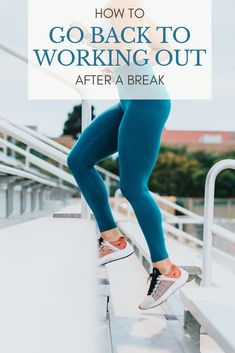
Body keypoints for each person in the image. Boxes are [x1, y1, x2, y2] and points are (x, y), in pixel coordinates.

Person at [67, 0, 188, 310]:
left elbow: (156, 45)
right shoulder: (119, 17)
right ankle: (113, 238)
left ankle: (168, 270)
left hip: (148, 102)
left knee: (134, 186)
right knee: (78, 160)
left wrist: (95, 41)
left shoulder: (130, 14)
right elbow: (155, 46)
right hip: (129, 103)